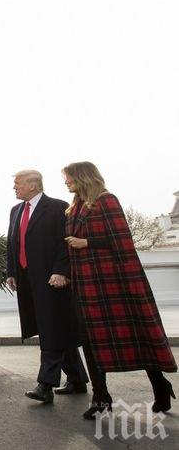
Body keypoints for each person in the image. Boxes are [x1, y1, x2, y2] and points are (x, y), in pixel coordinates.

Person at [63, 161, 176, 419]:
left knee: (137, 336)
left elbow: (123, 241)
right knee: (91, 341)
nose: (66, 183)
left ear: (82, 178)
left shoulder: (107, 201)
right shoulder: (73, 208)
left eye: (68, 178)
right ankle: (101, 398)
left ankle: (160, 386)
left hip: (115, 283)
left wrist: (86, 242)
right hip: (86, 285)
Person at [6, 170, 88, 404]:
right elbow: (13, 243)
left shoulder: (57, 207)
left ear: (32, 186)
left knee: (51, 328)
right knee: (54, 327)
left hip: (52, 279)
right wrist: (11, 271)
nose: (14, 187)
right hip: (26, 280)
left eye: (17, 183)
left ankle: (45, 385)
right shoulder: (15, 211)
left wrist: (61, 271)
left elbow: (66, 244)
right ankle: (77, 379)